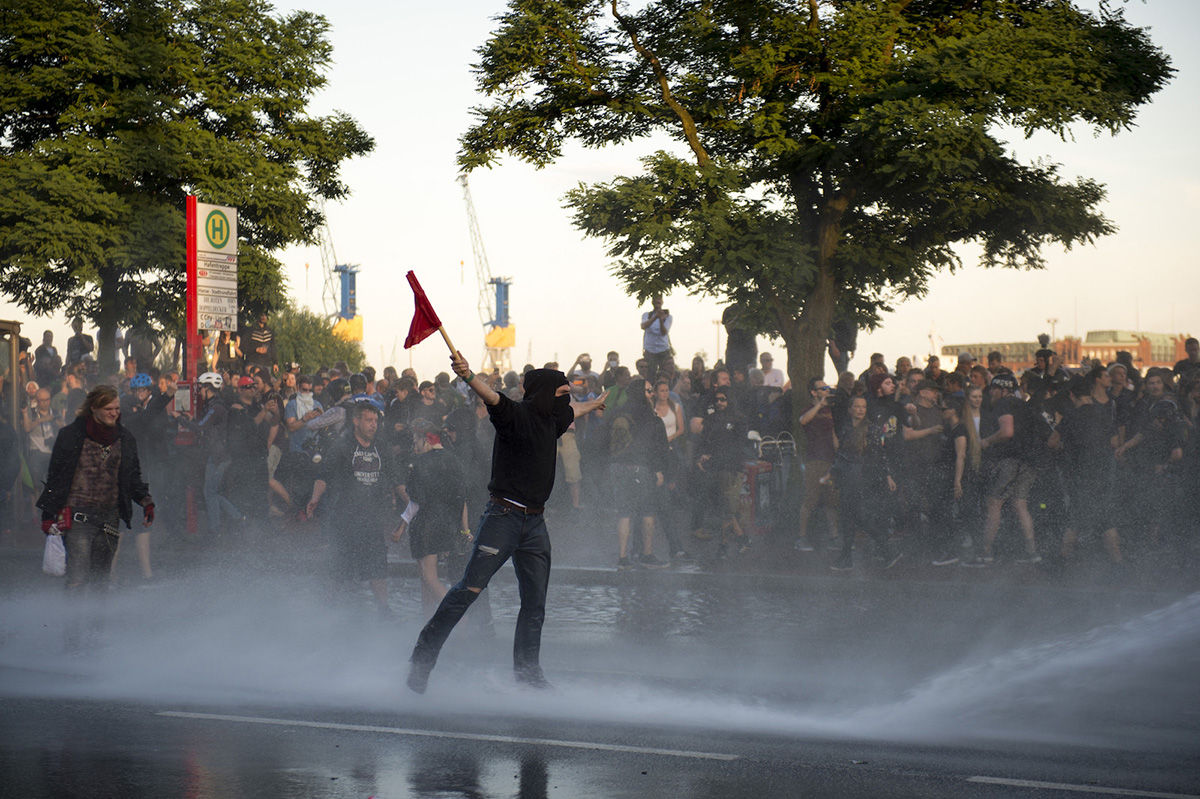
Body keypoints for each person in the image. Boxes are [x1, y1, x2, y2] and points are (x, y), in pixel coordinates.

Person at [406, 353, 607, 694]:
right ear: (544, 394)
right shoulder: (515, 415)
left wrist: (595, 402)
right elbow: (493, 398)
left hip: (535, 525)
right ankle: (422, 660)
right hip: (503, 518)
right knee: (467, 590)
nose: (567, 402)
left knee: (535, 602)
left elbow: (574, 411)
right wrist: (469, 376)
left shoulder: (551, 419)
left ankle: (528, 675)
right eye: (562, 394)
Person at [37, 386, 155, 599]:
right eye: (108, 408)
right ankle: (72, 630)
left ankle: (95, 630)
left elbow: (132, 477)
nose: (114, 413)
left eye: (117, 408)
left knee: (102, 579)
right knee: (77, 579)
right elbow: (56, 477)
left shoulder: (124, 438)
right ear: (94, 409)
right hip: (77, 516)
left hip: (109, 516)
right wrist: (48, 516)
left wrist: (146, 502)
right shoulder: (71, 435)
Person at [307, 400, 405, 617]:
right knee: (339, 566)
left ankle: (384, 610)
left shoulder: (382, 446)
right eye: (368, 420)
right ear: (356, 422)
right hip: (345, 516)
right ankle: (329, 610)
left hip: (372, 516)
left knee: (377, 565)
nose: (373, 425)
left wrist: (410, 502)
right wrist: (315, 497)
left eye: (375, 421)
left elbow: (396, 478)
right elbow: (324, 475)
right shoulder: (343, 446)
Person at [397, 420, 469, 616]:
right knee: (425, 579)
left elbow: (416, 500)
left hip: (426, 526)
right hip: (448, 524)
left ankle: (457, 616)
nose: (414, 445)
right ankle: (428, 622)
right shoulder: (453, 460)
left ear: (427, 439)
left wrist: (401, 526)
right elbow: (461, 498)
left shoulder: (420, 463)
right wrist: (465, 529)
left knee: (428, 577)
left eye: (416, 440)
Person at [610, 378, 670, 569]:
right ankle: (647, 555)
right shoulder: (649, 416)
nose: (652, 394)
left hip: (618, 468)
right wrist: (658, 470)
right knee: (647, 512)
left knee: (624, 513)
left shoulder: (618, 412)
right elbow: (657, 447)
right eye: (649, 390)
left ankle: (622, 558)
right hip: (642, 469)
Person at [173, 372, 241, 538]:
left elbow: (200, 428)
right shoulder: (213, 405)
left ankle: (217, 528)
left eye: (202, 388)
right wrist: (191, 418)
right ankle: (236, 517)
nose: (200, 391)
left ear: (208, 388)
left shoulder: (216, 407)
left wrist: (179, 419)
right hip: (217, 454)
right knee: (210, 491)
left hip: (219, 456)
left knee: (209, 492)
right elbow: (206, 425)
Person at [795, 377, 839, 552]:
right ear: (814, 392)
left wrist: (838, 453)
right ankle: (801, 538)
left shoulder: (830, 410)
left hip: (829, 460)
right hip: (814, 460)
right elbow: (803, 421)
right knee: (810, 499)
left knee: (831, 500)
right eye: (823, 388)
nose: (827, 390)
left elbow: (833, 433)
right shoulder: (809, 409)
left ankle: (834, 537)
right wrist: (820, 405)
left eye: (827, 387)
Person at [641, 295, 673, 380]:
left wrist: (661, 321)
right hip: (650, 349)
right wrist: (655, 317)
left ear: (662, 302)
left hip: (663, 349)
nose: (657, 304)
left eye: (659, 301)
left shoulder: (668, 316)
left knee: (665, 373)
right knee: (650, 373)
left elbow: (664, 332)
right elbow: (643, 326)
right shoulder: (647, 315)